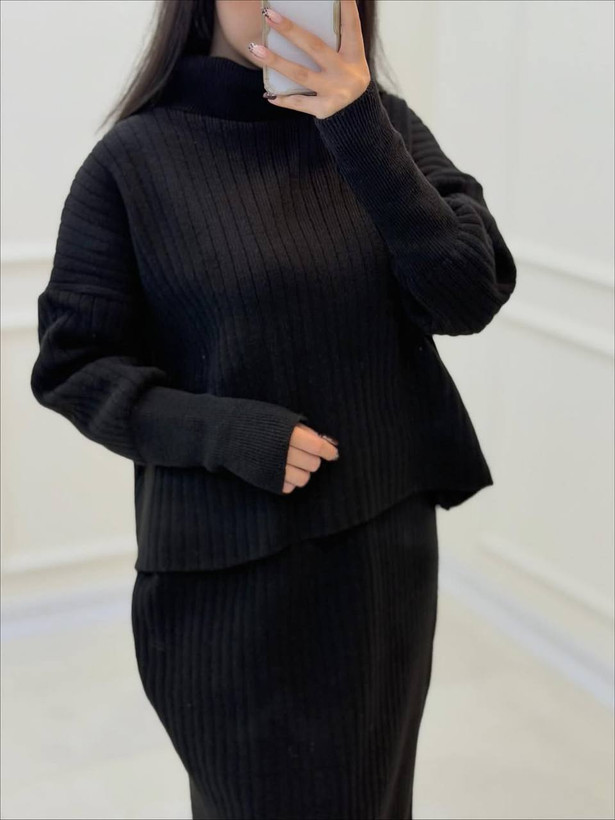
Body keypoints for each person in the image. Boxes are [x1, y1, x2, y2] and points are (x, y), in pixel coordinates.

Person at [30, 1, 517, 817]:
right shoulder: (132, 162)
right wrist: (227, 432)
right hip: (229, 577)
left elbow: (466, 295)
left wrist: (355, 126)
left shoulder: (383, 127)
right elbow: (74, 367)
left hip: (381, 556)